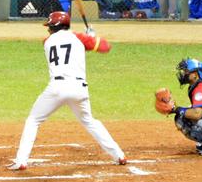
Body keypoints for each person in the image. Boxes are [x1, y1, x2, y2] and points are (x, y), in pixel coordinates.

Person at [7, 11, 127, 171]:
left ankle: (21, 160)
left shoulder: (47, 41)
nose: (48, 29)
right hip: (80, 89)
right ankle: (119, 155)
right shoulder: (79, 38)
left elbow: (68, 48)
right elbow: (105, 47)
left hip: (57, 88)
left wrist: (87, 38)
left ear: (56, 27)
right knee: (90, 121)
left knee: (33, 120)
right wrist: (91, 37)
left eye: (50, 26)